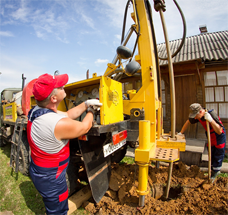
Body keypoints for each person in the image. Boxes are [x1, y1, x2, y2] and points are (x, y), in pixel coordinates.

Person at [27, 73, 102, 215]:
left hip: (40, 170)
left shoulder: (37, 111)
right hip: (52, 178)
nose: (64, 87)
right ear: (53, 98)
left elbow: (67, 114)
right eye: (61, 87)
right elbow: (84, 127)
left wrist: (86, 104)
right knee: (58, 210)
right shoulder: (55, 124)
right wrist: (92, 111)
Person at [178, 103, 226, 181]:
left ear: (200, 112)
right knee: (211, 155)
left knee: (218, 156)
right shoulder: (198, 116)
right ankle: (211, 172)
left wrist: (211, 120)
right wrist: (181, 132)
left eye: (196, 115)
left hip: (218, 137)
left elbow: (219, 131)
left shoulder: (211, 115)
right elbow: (188, 122)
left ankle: (215, 173)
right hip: (210, 136)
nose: (195, 118)